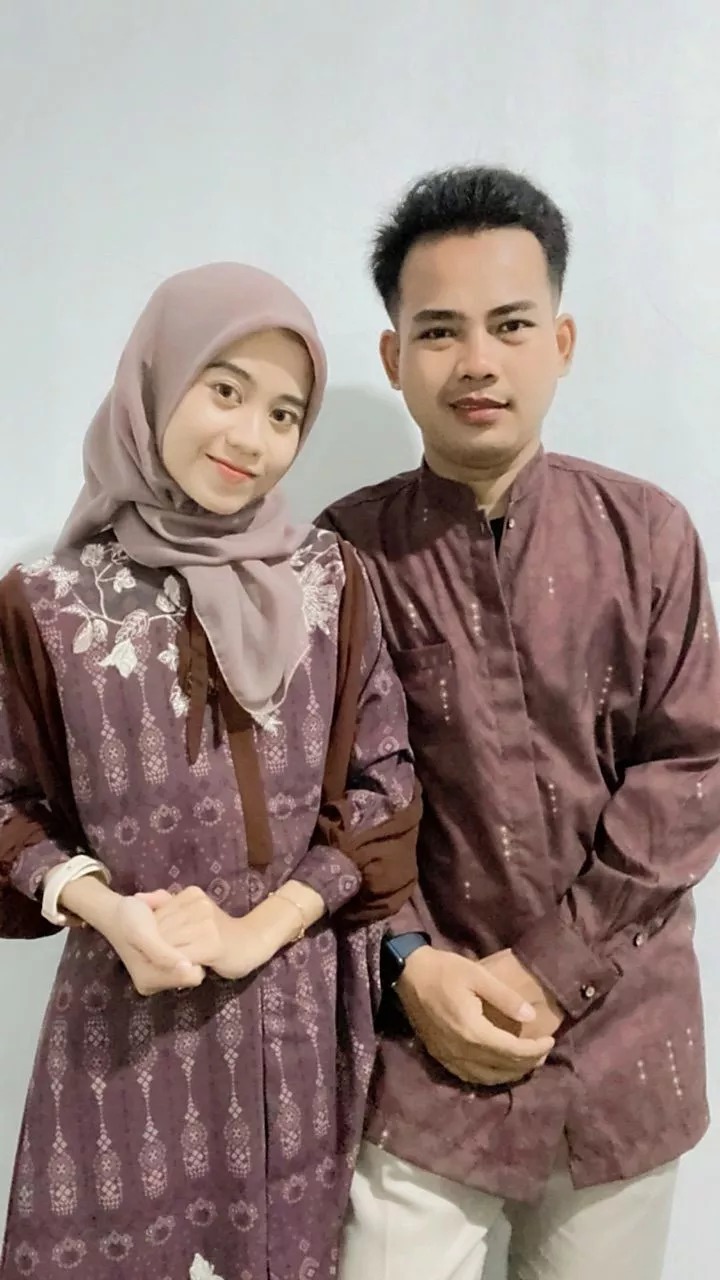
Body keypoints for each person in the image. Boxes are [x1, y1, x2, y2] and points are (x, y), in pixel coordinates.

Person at [0, 261, 445, 1280]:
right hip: (125, 1024)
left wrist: (261, 927)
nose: (252, 437)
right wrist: (106, 906)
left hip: (292, 1024)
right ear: (157, 381)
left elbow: (385, 790)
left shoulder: (329, 579)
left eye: (285, 413)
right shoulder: (48, 603)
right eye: (226, 388)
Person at [318, 166, 720, 1280]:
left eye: (509, 324)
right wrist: (410, 965)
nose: (477, 361)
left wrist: (551, 970)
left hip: (622, 1045)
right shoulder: (339, 557)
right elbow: (328, 797)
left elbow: (691, 769)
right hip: (418, 1048)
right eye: (439, 330)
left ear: (562, 341)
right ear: (394, 356)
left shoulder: (650, 534)